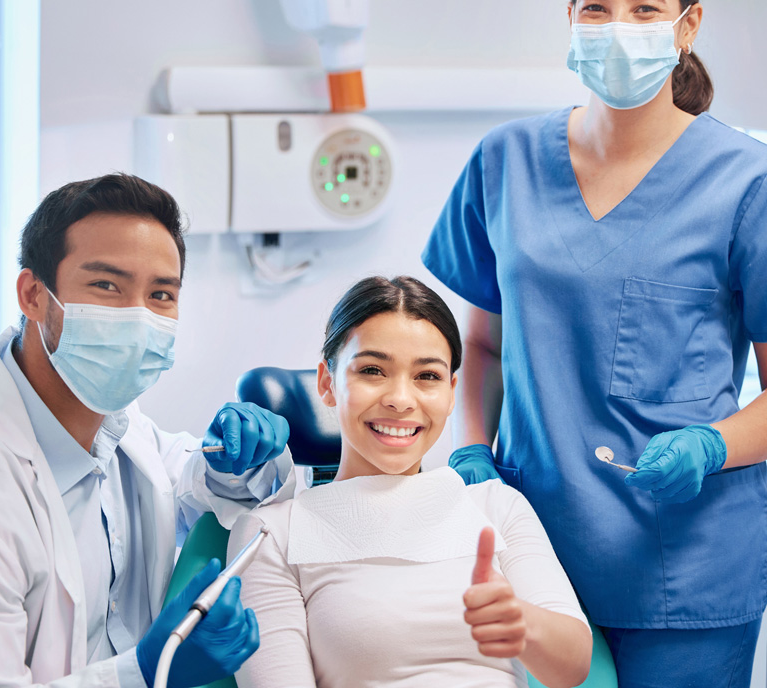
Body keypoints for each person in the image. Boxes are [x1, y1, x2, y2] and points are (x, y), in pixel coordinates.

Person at [422, 0, 767, 687]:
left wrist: (710, 445)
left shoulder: (748, 184)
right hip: (529, 543)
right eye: (595, 8)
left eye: (646, 10)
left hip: (684, 566)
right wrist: (472, 450)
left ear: (688, 27)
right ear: (570, 21)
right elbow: (480, 347)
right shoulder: (505, 161)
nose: (619, 29)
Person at [0, 174, 295, 688]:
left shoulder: (117, 424)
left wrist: (239, 462)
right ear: (33, 295)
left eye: (161, 294)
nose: (139, 316)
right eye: (106, 285)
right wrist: (144, 671)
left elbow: (194, 483)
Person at [229, 276, 592, 688]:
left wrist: (521, 621)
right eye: (372, 370)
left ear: (452, 391)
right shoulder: (271, 533)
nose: (401, 399)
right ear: (327, 383)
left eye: (427, 377)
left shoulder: (496, 507)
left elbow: (573, 668)